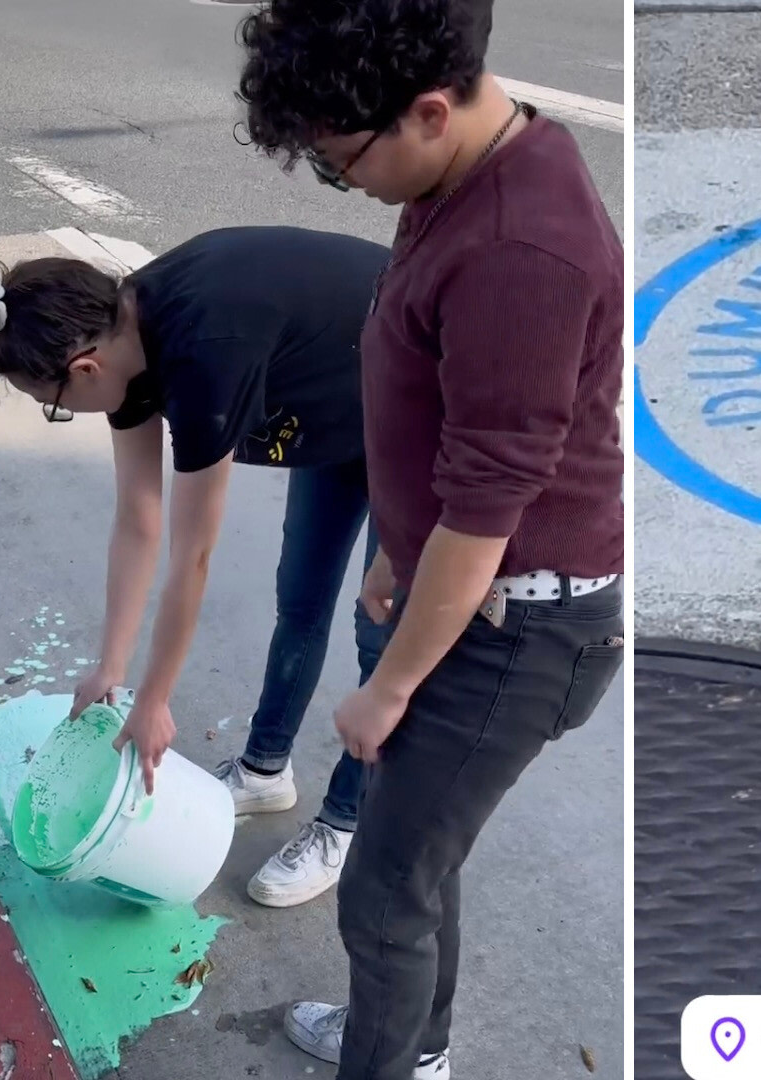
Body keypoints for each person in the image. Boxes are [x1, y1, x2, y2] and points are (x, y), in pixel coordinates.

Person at [237, 1, 626, 1078]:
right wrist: (400, 551)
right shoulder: (466, 174)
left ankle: (393, 1057)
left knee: (384, 892)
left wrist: (392, 684)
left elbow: (493, 499)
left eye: (341, 162)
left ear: (429, 109)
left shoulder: (520, 248)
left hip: (521, 627)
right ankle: (413, 1046)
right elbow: (456, 423)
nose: (345, 183)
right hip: (474, 589)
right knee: (422, 862)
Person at [0, 226, 393, 908]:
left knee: (380, 630)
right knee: (300, 599)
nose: (64, 413)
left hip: (425, 408)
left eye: (53, 405)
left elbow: (194, 556)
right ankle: (266, 770)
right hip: (340, 405)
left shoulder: (203, 354)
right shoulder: (124, 334)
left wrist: (154, 699)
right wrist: (111, 665)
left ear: (84, 367)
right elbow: (137, 519)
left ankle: (347, 823)